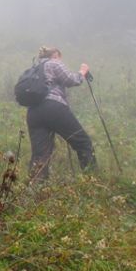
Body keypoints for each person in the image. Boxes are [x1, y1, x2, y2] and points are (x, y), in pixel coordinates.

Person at [26, 46, 96, 180]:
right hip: (53, 107)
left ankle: (35, 190)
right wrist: (82, 72)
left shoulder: (35, 68)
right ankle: (92, 182)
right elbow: (71, 80)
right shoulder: (54, 62)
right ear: (56, 55)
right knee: (83, 143)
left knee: (40, 154)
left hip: (33, 111)